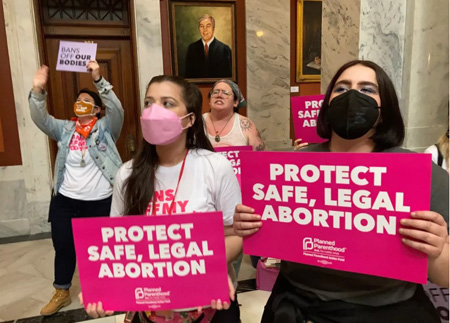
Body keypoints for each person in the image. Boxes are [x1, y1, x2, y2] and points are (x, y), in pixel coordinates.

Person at [233, 60, 449, 322]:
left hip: (384, 312)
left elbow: (445, 277)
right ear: (328, 103)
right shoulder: (293, 165)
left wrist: (435, 250)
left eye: (367, 90)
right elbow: (265, 241)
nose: (352, 96)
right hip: (295, 307)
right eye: (342, 89)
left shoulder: (421, 174)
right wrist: (249, 225)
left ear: (385, 108)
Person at [82, 75, 242, 323]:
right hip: (150, 308)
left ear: (189, 119)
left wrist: (213, 267)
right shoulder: (127, 174)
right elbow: (116, 247)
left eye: (167, 103)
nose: (154, 111)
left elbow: (234, 234)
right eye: (149, 103)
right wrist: (101, 288)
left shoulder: (215, 166)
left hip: (209, 304)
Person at [29, 61, 124, 316]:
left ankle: (104, 291)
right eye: (78, 99)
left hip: (100, 202)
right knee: (63, 246)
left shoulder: (105, 129)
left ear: (96, 109)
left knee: (103, 250)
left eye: (86, 100)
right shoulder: (65, 129)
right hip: (65, 201)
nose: (80, 102)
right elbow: (41, 119)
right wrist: (38, 91)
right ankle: (61, 291)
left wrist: (98, 80)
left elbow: (117, 110)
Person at [204, 79, 264, 150]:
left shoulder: (246, 124)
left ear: (235, 102)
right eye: (215, 92)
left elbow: (260, 157)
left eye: (225, 93)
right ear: (210, 101)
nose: (219, 95)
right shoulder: (197, 121)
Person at [184, 14, 232, 79]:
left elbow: (228, 76)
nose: (205, 30)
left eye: (208, 26)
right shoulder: (192, 48)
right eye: (201, 26)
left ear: (213, 29)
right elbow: (188, 76)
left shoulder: (224, 49)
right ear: (199, 29)